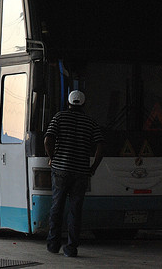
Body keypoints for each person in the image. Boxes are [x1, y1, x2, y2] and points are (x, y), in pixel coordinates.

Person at [44, 90, 104, 257]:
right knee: (75, 210)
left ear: (68, 103)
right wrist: (93, 167)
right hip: (81, 173)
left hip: (60, 171)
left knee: (57, 206)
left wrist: (52, 158)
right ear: (83, 104)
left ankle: (53, 244)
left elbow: (47, 139)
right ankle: (71, 248)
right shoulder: (90, 122)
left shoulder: (59, 117)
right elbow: (100, 147)